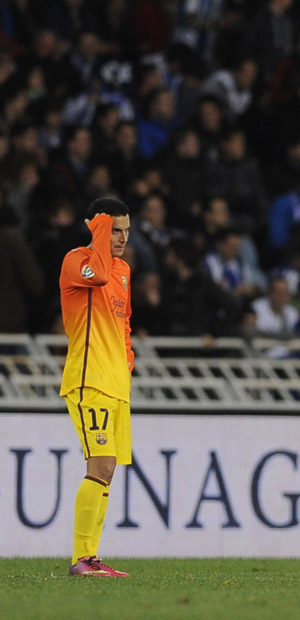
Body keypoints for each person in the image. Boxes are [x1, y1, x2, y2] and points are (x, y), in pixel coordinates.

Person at [59, 196, 134, 578]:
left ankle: (90, 556)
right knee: (100, 463)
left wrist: (128, 361)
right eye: (113, 229)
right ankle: (81, 558)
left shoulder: (123, 270)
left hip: (116, 384)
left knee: (107, 470)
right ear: (98, 227)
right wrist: (99, 231)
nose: (121, 238)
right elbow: (98, 276)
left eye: (125, 231)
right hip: (89, 380)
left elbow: (123, 324)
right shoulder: (79, 261)